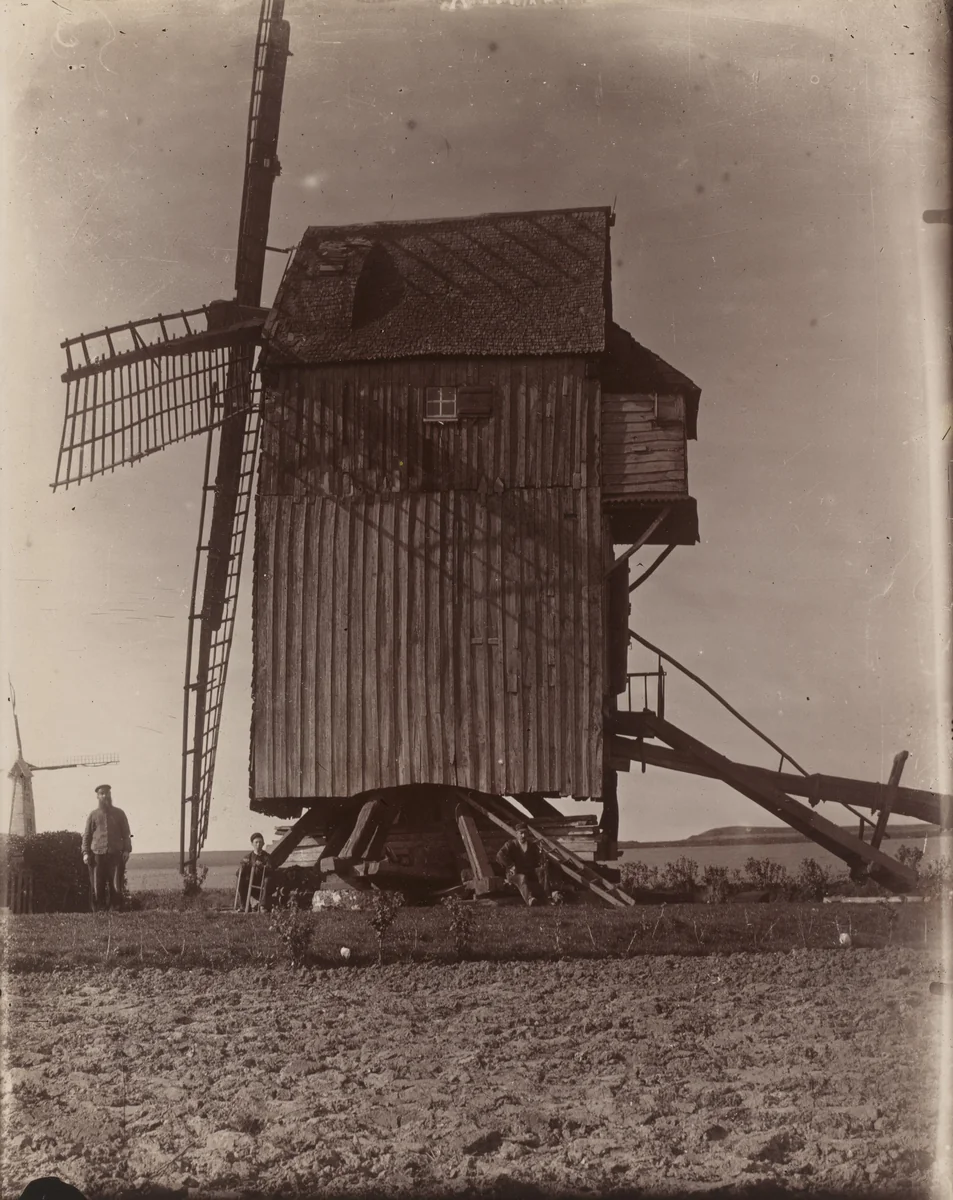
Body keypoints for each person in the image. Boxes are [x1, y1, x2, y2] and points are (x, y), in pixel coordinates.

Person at [81, 784, 132, 912]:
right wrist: (85, 852)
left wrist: (126, 850)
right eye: (102, 793)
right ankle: (99, 910)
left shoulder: (119, 813)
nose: (105, 796)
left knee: (116, 884)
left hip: (115, 854)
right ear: (97, 796)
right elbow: (86, 835)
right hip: (97, 854)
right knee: (98, 884)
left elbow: (126, 833)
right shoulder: (93, 815)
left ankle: (116, 908)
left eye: (107, 793)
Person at [495, 823, 550, 906]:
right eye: (521, 833)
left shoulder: (531, 845)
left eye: (525, 833)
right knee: (522, 877)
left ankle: (547, 897)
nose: (523, 835)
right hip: (514, 874)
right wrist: (510, 866)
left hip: (528, 872)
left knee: (541, 871)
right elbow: (499, 855)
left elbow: (537, 860)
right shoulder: (511, 844)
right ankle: (530, 900)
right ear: (516, 834)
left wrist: (541, 860)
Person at [235, 831, 271, 910]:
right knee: (240, 880)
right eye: (256, 842)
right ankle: (244, 906)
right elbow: (238, 873)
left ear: (263, 843)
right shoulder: (248, 857)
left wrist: (262, 866)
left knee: (267, 879)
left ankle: (263, 906)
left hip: (263, 885)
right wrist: (243, 867)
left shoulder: (267, 857)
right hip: (250, 884)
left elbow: (270, 870)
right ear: (252, 844)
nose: (258, 844)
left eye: (260, 842)